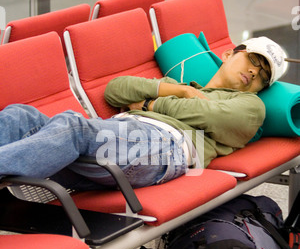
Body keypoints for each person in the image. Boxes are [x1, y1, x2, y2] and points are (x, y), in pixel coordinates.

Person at [0, 36, 287, 190]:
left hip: (165, 147)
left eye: (263, 76)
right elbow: (115, 90)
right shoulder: (178, 87)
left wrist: (150, 105)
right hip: (113, 145)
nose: (253, 72)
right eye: (252, 60)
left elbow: (211, 117)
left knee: (73, 127)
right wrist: (178, 91)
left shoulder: (251, 106)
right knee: (18, 116)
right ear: (229, 54)